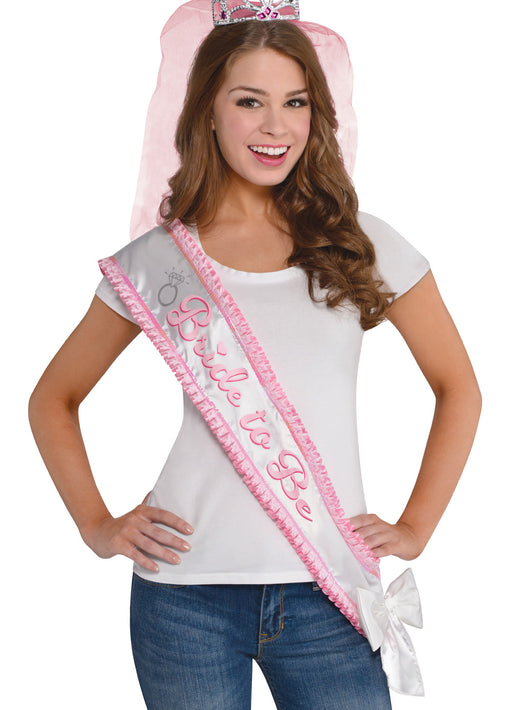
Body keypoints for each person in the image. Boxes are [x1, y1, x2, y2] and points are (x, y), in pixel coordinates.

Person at [28, 2, 481, 708]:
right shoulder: (158, 260)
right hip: (183, 597)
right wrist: (97, 525)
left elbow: (459, 387)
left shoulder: (361, 242)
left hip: (328, 594)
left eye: (295, 102)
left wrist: (417, 526)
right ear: (207, 112)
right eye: (249, 101)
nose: (276, 125)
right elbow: (52, 398)